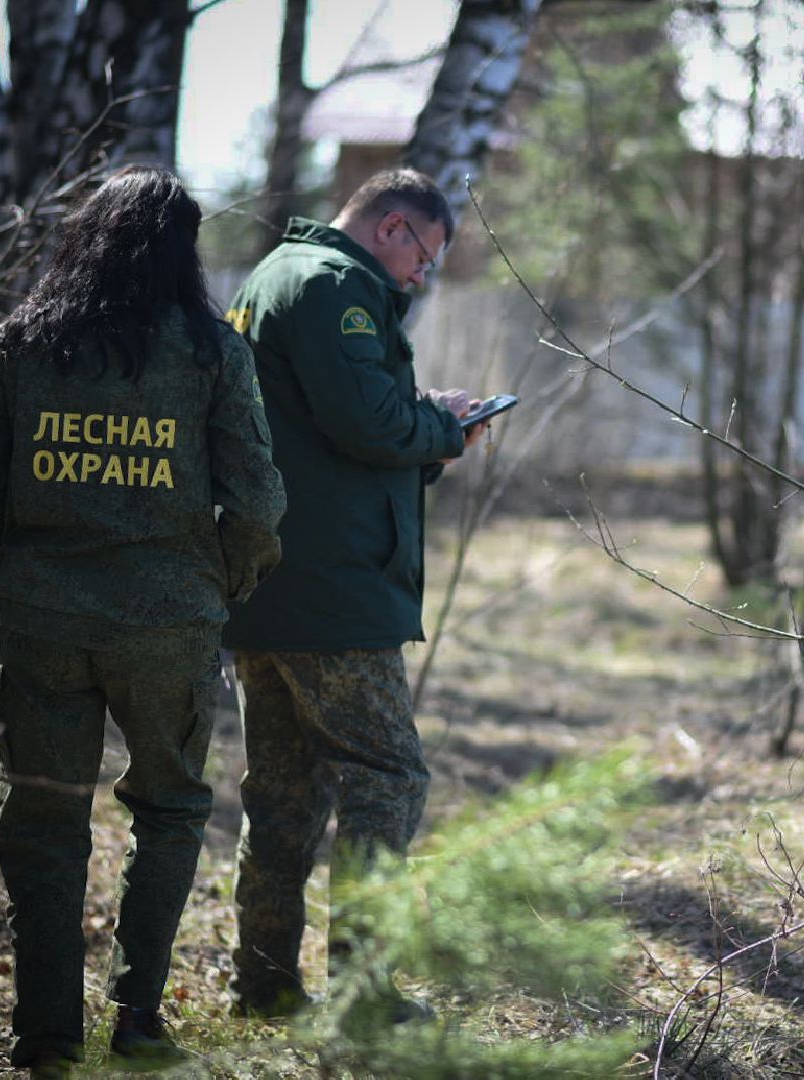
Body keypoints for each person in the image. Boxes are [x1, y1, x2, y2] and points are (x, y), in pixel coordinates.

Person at [0, 165, 287, 1075]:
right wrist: (220, 585)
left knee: (44, 819)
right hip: (169, 624)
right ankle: (138, 1024)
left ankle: (46, 1039)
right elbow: (256, 501)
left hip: (42, 621)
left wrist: (15, 567)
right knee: (170, 812)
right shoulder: (213, 352)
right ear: (186, 249)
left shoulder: (21, 342)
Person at [221, 168, 485, 1018]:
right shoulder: (336, 285)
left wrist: (424, 427)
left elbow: (322, 428)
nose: (421, 277)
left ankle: (263, 985)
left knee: (284, 793)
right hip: (331, 588)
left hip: (270, 580)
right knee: (388, 778)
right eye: (426, 257)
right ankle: (364, 997)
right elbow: (364, 423)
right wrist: (444, 429)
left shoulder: (275, 275)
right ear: (393, 226)